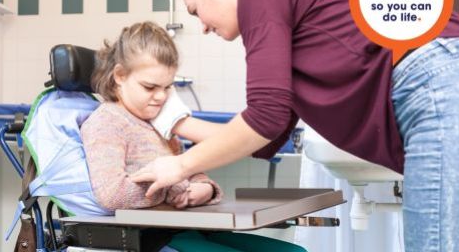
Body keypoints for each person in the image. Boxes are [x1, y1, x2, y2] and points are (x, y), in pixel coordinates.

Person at [131, 0, 459, 252]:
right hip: (445, 85)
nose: (202, 27)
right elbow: (264, 134)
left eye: (195, 11)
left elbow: (264, 117)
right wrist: (174, 120)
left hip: (438, 82)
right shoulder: (285, 15)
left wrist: (179, 165)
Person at [82, 21, 305, 252]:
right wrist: (172, 188)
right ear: (119, 75)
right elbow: (112, 196)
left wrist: (204, 190)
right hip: (154, 238)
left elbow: (192, 172)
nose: (160, 97)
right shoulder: (106, 122)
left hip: (188, 228)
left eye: (167, 87)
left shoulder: (159, 123)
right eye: (150, 87)